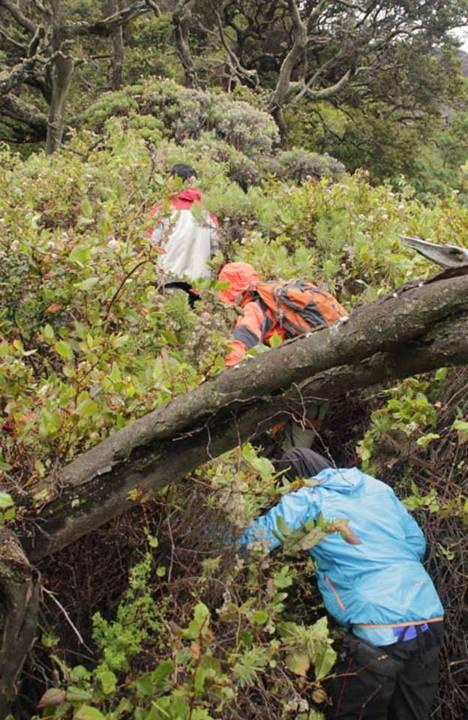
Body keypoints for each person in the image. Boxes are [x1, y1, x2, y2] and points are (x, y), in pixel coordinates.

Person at [240, 448, 444, 720]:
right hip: (428, 618)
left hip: (379, 629)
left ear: (295, 482)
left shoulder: (308, 499)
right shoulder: (377, 488)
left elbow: (254, 542)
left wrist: (207, 536)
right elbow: (418, 544)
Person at [217, 262, 348, 367]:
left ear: (237, 294)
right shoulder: (274, 293)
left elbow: (242, 341)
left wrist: (224, 374)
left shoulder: (254, 308)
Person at [147, 164, 219, 304]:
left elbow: (149, 243)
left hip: (168, 277)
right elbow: (216, 247)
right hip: (200, 282)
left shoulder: (163, 208)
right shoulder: (208, 211)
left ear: (174, 180)